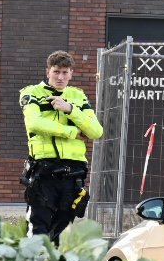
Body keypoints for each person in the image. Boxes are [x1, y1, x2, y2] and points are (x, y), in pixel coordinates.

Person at [20, 50, 104, 238]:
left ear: (71, 74)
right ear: (48, 71)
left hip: (74, 173)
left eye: (65, 72)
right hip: (44, 169)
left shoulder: (78, 96)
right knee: (38, 227)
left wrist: (70, 109)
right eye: (56, 71)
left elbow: (96, 131)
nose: (60, 77)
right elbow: (34, 123)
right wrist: (72, 132)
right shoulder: (31, 93)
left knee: (63, 232)